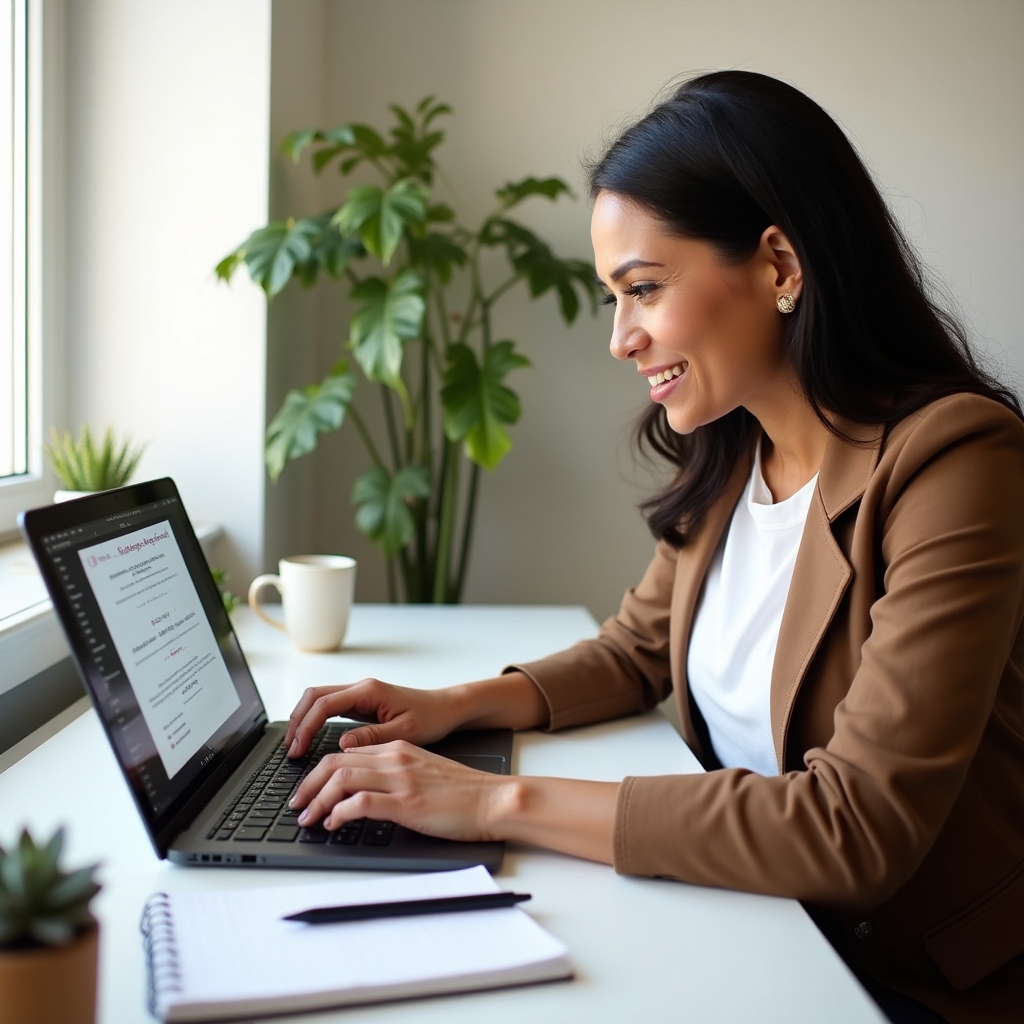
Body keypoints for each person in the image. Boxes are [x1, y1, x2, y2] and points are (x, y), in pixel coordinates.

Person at [284, 72, 1024, 1024]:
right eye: (611, 297)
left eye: (643, 289)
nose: (620, 338)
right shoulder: (737, 446)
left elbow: (856, 830)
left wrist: (488, 804)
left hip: (906, 981)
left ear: (780, 266)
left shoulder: (956, 462)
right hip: (760, 928)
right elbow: (636, 649)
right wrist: (451, 707)